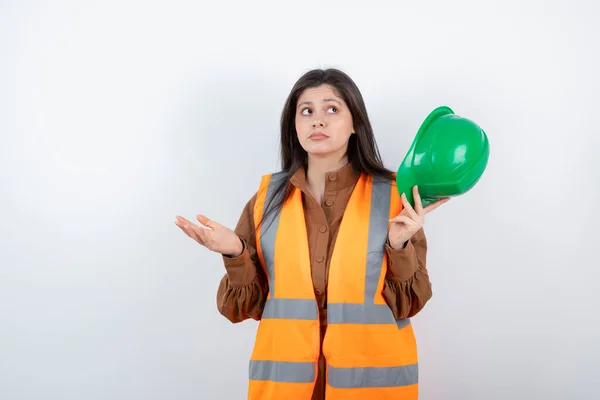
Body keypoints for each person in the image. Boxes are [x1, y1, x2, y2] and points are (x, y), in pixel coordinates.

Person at [175, 68, 449, 400]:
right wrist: (235, 253)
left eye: (332, 109)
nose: (317, 121)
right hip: (287, 389)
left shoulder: (395, 196)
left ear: (355, 124)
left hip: (370, 388)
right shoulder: (266, 200)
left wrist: (399, 244)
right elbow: (242, 308)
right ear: (294, 125)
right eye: (306, 111)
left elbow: (410, 302)